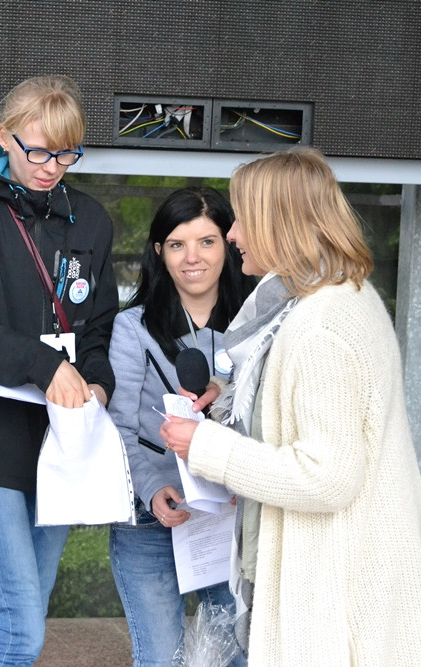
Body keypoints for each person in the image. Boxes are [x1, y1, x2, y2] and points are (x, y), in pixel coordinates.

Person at [160, 147, 421, 666]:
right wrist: (237, 399)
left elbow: (327, 476)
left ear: (277, 223)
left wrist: (207, 446)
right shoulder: (341, 298)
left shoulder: (319, 326)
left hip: (335, 597)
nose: (234, 234)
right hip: (349, 577)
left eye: (242, 218)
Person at [0, 74, 118, 666]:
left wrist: (98, 385)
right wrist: (45, 366)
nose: (51, 168)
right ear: (4, 136)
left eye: (66, 154)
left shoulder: (90, 220)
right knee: (20, 631)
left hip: (60, 444)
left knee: (28, 621)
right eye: (37, 151)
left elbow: (97, 330)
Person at [107, 187, 253, 666]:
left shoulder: (256, 327)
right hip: (150, 516)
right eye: (177, 244)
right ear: (159, 252)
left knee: (237, 655)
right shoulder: (132, 328)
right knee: (159, 659)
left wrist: (245, 477)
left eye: (207, 242)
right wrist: (152, 489)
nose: (193, 258)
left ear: (230, 244)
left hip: (228, 515)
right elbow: (118, 426)